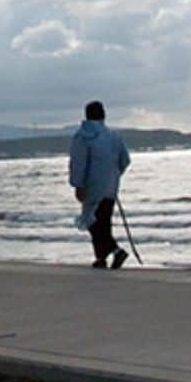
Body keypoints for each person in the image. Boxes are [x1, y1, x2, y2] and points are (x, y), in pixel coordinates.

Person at [69, 100, 131, 269]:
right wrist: (114, 175)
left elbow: (78, 163)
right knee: (103, 222)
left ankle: (115, 251)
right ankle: (101, 257)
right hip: (110, 187)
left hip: (92, 187)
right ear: (103, 115)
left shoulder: (82, 136)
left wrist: (78, 184)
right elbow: (125, 160)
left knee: (93, 222)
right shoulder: (114, 136)